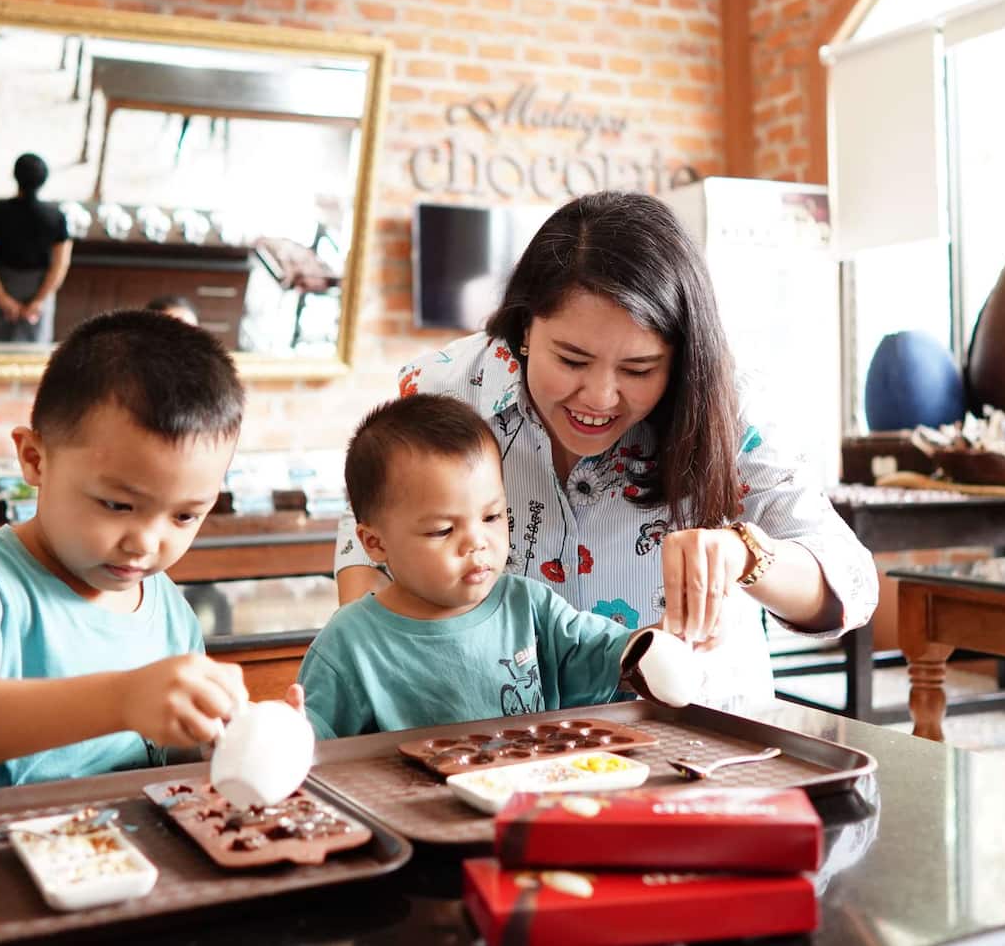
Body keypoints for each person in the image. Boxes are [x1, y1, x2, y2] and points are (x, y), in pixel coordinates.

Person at [334, 191, 878, 712]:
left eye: (638, 369)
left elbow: (852, 581)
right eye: (570, 360)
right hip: (502, 744)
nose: (598, 398)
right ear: (525, 327)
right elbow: (370, 550)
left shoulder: (723, 403)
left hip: (697, 736)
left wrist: (746, 554)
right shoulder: (449, 388)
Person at [0, 311, 261, 797]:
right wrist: (123, 698)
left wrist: (228, 739)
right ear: (35, 460)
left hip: (120, 856)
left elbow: (168, 760)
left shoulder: (167, 607)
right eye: (118, 505)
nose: (145, 542)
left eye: (184, 516)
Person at [300, 394, 647, 739]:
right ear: (375, 543)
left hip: (532, 790)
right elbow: (311, 750)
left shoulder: (529, 605)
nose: (477, 542)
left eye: (492, 516)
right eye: (443, 530)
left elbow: (611, 651)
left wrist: (659, 650)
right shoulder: (349, 644)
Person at [0, 153, 73, 343]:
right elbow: (61, 264)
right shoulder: (56, 216)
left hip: (0, 284)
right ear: (44, 180)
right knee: (32, 357)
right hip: (39, 289)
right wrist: (39, 300)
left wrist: (1, 297)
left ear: (14, 175)